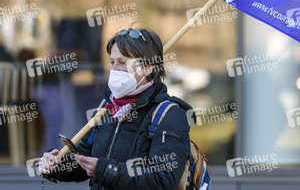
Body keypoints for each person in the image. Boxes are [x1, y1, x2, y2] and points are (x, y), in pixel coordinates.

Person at [39, 27, 194, 189]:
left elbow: (163, 180)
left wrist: (104, 169)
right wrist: (56, 164)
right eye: (112, 62)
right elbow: (82, 161)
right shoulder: (107, 108)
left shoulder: (169, 115)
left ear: (148, 67)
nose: (114, 70)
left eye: (123, 62)